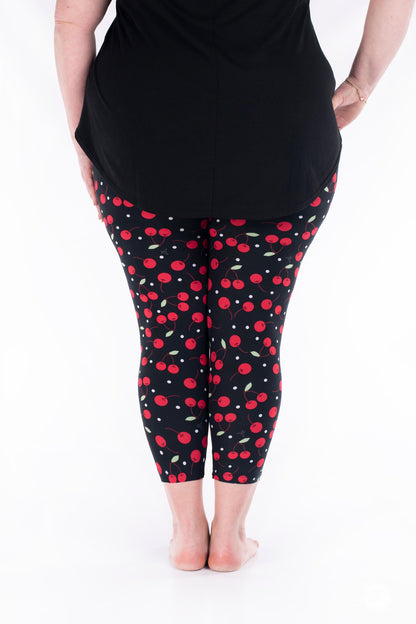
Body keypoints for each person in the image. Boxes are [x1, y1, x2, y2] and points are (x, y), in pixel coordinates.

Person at [54, 0, 415, 572]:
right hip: (280, 133)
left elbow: (72, 20)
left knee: (169, 339)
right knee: (250, 342)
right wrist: (362, 81)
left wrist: (83, 136)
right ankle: (229, 536)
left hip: (141, 138)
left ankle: (186, 533)